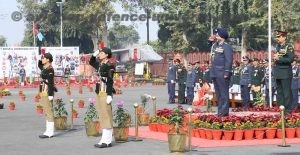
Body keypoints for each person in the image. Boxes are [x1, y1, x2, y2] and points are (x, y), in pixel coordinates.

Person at [89, 47, 115, 148]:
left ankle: (108, 140)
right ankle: (104, 139)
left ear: (107, 55)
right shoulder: (100, 64)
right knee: (102, 114)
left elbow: (110, 81)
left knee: (106, 115)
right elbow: (91, 62)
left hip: (105, 92)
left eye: (101, 53)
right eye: (99, 53)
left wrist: (109, 95)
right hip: (99, 91)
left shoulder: (110, 66)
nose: (100, 54)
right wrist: (93, 55)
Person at [210, 28, 233, 116]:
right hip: (215, 73)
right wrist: (210, 41)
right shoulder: (215, 46)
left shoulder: (226, 47)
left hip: (222, 73)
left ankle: (224, 112)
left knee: (224, 93)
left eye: (218, 34)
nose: (216, 35)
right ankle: (220, 111)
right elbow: (212, 53)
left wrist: (227, 72)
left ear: (222, 36)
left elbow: (228, 60)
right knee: (218, 94)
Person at [273, 30, 294, 114]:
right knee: (280, 93)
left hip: (285, 72)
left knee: (286, 92)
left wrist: (279, 59)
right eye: (277, 37)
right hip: (278, 72)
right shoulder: (278, 46)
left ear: (284, 37)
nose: (277, 38)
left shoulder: (288, 46)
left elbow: (290, 59)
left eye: (279, 37)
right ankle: (281, 110)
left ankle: (288, 111)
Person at [38, 53, 56, 138]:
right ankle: (47, 130)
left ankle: (50, 132)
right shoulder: (44, 68)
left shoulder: (50, 69)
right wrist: (42, 53)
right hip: (43, 91)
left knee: (49, 112)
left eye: (43, 58)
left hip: (47, 91)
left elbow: (51, 83)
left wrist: (50, 94)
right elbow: (39, 64)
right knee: (46, 111)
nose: (42, 59)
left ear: (48, 59)